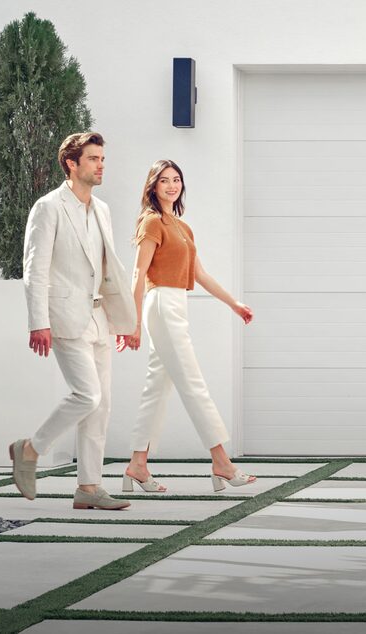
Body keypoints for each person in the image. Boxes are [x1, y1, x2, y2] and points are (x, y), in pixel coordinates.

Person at [12, 132, 137, 510]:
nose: (101, 166)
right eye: (94, 159)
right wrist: (38, 321)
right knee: (87, 395)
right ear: (72, 163)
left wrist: (120, 319)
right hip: (65, 316)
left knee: (101, 407)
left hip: (99, 317)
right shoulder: (48, 207)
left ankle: (88, 487)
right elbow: (35, 269)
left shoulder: (101, 209)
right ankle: (30, 449)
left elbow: (106, 268)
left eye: (102, 159)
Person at [121, 159, 256, 493]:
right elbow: (138, 273)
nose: (171, 185)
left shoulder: (182, 227)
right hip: (160, 304)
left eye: (176, 179)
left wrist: (234, 304)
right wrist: (132, 321)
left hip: (176, 304)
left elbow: (201, 274)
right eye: (164, 180)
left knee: (158, 387)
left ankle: (137, 465)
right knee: (193, 383)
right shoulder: (151, 222)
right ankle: (221, 462)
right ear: (152, 186)